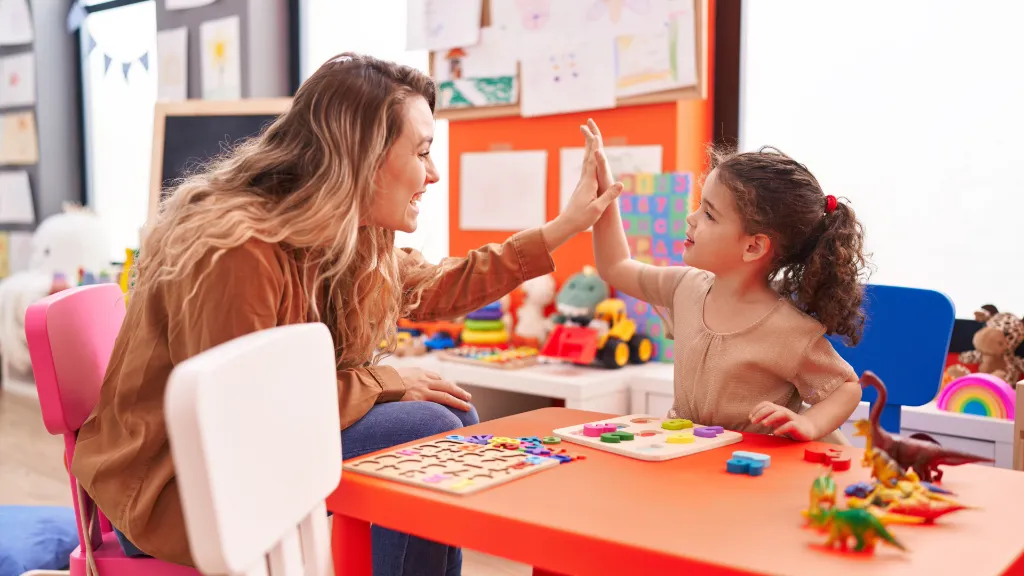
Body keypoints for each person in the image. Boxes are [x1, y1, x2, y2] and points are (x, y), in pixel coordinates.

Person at [70, 54, 620, 575]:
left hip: (244, 452)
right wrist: (386, 381)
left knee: (448, 423)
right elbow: (241, 414)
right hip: (178, 488)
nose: (433, 175)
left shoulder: (343, 232)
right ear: (363, 157)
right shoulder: (236, 248)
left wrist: (564, 226)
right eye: (423, 151)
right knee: (429, 430)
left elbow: (434, 285)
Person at [587, 119, 868, 442]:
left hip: (751, 474)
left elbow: (846, 388)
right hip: (687, 458)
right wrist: (604, 192)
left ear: (753, 246)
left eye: (709, 214)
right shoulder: (685, 287)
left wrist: (810, 424)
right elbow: (616, 266)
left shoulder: (790, 332)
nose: (691, 219)